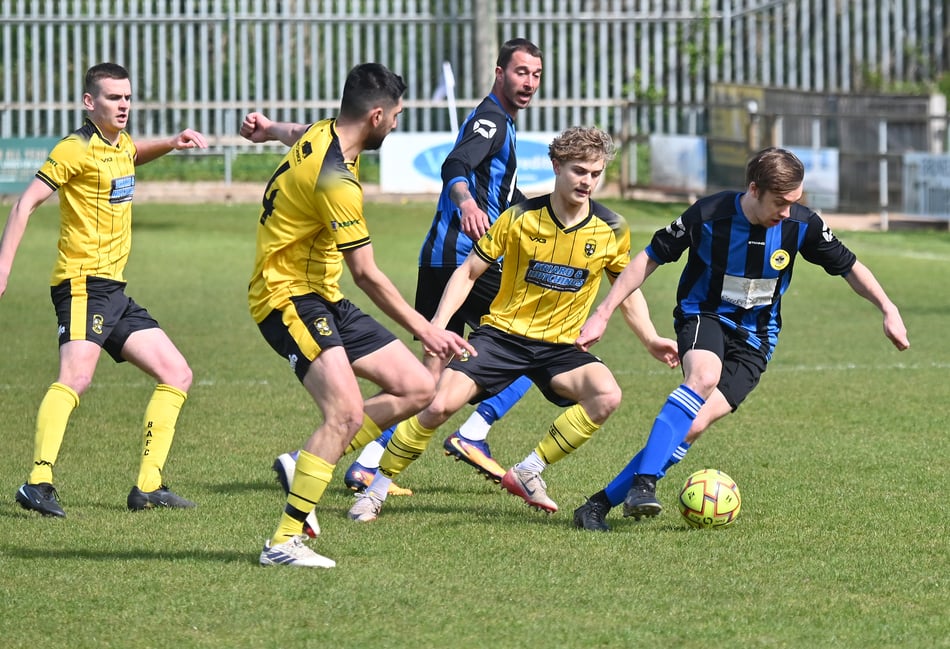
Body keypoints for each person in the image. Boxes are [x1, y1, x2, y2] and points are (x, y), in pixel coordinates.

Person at [346, 126, 680, 523]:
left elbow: (626, 290)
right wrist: (437, 324)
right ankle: (377, 489)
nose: (587, 181)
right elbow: (469, 272)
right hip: (503, 336)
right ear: (556, 166)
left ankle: (528, 470)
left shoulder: (611, 228)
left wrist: (650, 338)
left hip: (560, 347)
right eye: (578, 171)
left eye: (595, 173)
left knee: (606, 396)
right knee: (437, 405)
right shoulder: (519, 218)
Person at [572, 146, 911, 532]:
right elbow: (650, 257)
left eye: (794, 202)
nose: (786, 212)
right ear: (754, 189)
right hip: (704, 314)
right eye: (780, 202)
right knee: (702, 377)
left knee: (695, 425)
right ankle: (645, 484)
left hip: (757, 335)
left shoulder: (801, 224)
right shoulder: (708, 215)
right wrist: (603, 312)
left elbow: (849, 266)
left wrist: (888, 307)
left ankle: (597, 506)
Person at [270, 38, 545, 494]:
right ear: (499, 73)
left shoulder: (503, 124)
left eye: (535, 74)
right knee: (532, 342)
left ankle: (363, 464)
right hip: (461, 259)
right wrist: (466, 204)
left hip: (444, 259)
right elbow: (455, 165)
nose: (529, 82)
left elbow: (506, 197)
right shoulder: (491, 120)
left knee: (428, 376)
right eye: (520, 72)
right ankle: (473, 432)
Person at [245, 62, 475, 568]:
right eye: (395, 116)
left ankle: (302, 464)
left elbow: (295, 132)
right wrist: (427, 328)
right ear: (375, 115)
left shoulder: (322, 134)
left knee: (417, 387)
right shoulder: (337, 181)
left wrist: (267, 133)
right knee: (345, 412)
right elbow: (367, 274)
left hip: (322, 294)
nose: (395, 124)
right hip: (287, 297)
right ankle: (283, 542)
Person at [0, 62, 207, 517]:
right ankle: (37, 482)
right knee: (76, 377)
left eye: (128, 97)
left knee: (177, 373)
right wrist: (2, 268)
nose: (124, 105)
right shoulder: (74, 149)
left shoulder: (120, 144)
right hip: (81, 285)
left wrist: (171, 143)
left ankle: (148, 487)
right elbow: (25, 204)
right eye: (114, 98)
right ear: (90, 102)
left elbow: (131, 156)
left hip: (114, 291)